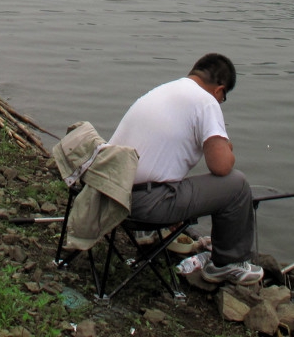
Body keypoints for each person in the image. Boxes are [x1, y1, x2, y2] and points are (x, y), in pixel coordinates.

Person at [107, 52, 261, 285]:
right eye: (223, 98)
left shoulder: (162, 91)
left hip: (111, 195)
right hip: (143, 206)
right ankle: (227, 264)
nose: (220, 102)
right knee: (237, 185)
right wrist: (228, 148)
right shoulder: (206, 101)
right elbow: (220, 166)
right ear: (220, 90)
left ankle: (147, 234)